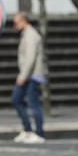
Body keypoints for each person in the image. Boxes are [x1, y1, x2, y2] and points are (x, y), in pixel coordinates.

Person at [11, 12, 46, 144]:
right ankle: (27, 129)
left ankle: (39, 133)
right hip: (28, 75)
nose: (15, 26)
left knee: (33, 103)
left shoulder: (31, 35)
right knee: (16, 100)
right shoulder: (26, 34)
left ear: (23, 21)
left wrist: (22, 76)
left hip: (32, 75)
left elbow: (30, 58)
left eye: (16, 22)